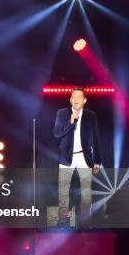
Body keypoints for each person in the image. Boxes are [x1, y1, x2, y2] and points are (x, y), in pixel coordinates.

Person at [53, 87, 101, 227]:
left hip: (84, 157)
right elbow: (56, 134)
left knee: (86, 192)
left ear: (84, 100)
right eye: (73, 97)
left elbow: (96, 138)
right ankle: (63, 220)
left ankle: (86, 221)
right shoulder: (62, 113)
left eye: (78, 97)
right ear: (70, 99)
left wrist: (97, 160)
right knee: (63, 190)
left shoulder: (91, 115)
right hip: (65, 158)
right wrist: (71, 122)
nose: (75, 100)